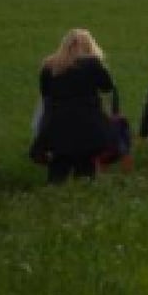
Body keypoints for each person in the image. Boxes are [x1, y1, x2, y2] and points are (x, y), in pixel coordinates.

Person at [31, 29, 115, 184]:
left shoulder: (49, 65)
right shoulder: (92, 64)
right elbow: (107, 87)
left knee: (59, 164)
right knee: (86, 163)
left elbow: (45, 94)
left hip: (57, 121)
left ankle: (53, 196)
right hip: (87, 121)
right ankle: (82, 196)